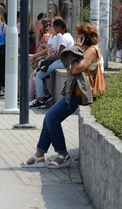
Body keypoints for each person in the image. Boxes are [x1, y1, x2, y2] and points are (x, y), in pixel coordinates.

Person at [21, 23, 103, 168]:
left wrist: (76, 49)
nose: (77, 39)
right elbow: (71, 69)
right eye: (77, 35)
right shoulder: (84, 49)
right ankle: (39, 155)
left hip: (81, 93)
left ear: (88, 38)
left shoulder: (91, 50)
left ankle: (63, 154)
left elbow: (76, 69)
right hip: (74, 90)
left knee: (52, 117)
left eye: (81, 36)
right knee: (50, 117)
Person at [31, 17, 74, 108]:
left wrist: (48, 60)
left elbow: (59, 55)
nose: (53, 29)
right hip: (64, 61)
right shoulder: (68, 36)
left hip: (62, 62)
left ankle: (40, 99)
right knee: (39, 73)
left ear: (59, 27)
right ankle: (46, 95)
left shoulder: (63, 38)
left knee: (38, 76)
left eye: (54, 27)